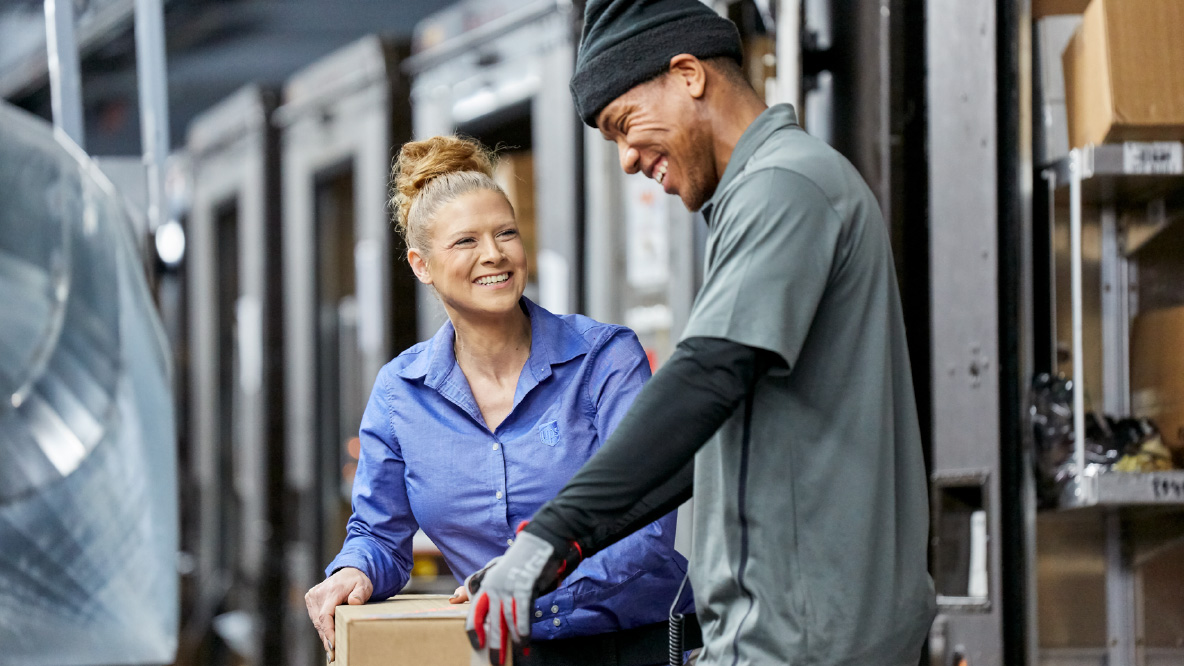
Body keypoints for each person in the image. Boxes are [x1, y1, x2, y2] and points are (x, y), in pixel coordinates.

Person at [465, 1, 937, 664]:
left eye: (624, 125)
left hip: (798, 645)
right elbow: (703, 439)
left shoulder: (782, 187)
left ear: (688, 74)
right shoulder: (767, 191)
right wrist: (558, 552)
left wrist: (551, 529)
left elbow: (704, 377)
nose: (627, 159)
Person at [304, 135, 693, 664]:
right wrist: (354, 570)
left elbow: (647, 527)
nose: (494, 254)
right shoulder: (401, 391)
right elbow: (378, 533)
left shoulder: (604, 361)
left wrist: (533, 595)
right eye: (466, 241)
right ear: (421, 265)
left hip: (635, 647)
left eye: (506, 233)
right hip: (503, 652)